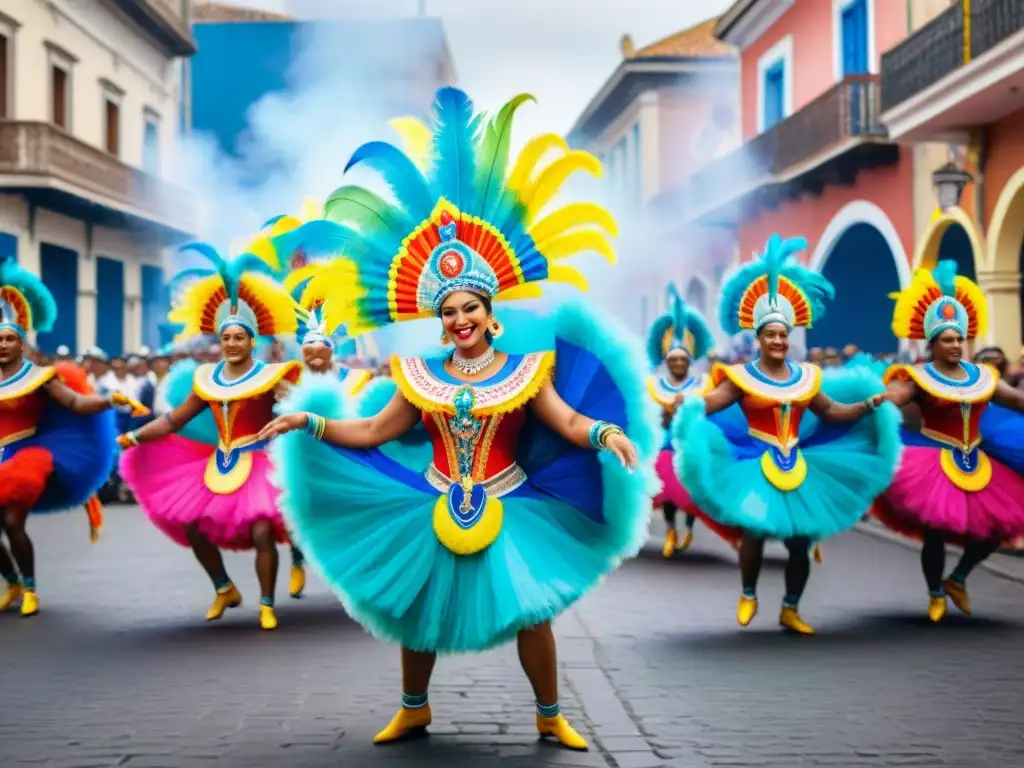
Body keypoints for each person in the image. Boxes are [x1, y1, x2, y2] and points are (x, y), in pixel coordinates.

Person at [260, 86, 654, 749]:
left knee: (533, 611)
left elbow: (562, 421)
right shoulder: (418, 376)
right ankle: (414, 707)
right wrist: (311, 425)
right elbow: (378, 431)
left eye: (470, 309)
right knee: (417, 610)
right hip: (434, 501)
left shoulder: (527, 370)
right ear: (439, 322)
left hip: (513, 501)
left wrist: (609, 433)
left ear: (490, 312)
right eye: (449, 313)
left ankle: (551, 715)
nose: (460, 321)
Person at [674, 234, 901, 635]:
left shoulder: (806, 377)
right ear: (758, 338)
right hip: (755, 465)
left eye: (783, 334)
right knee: (755, 533)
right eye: (771, 335)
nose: (778, 340)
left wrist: (867, 406)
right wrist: (689, 405)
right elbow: (712, 402)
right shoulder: (742, 377)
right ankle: (748, 593)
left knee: (801, 541)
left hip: (799, 464)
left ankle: (790, 608)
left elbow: (830, 412)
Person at [117, 244, 302, 631]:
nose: (232, 344)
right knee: (194, 527)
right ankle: (223, 588)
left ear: (253, 342)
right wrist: (134, 438)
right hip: (218, 462)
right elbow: (173, 420)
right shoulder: (206, 379)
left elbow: (298, 409)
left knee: (263, 529)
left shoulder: (272, 377)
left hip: (260, 463)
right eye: (226, 338)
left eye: (239, 338)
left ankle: (267, 603)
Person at [874, 260, 1024, 621]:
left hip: (979, 459)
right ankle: (935, 593)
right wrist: (874, 398)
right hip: (932, 461)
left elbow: (1018, 401)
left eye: (960, 338)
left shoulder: (982, 376)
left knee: (998, 529)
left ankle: (958, 578)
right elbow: (892, 394)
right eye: (948, 339)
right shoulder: (918, 376)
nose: (956, 345)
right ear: (933, 343)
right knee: (935, 533)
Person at [0, 254, 147, 616]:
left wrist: (108, 400)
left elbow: (77, 404)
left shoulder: (40, 378)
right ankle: (13, 581)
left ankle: (30, 588)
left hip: (28, 456)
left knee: (11, 521)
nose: (2, 345)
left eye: (8, 339)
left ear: (21, 344)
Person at [647, 284, 741, 557]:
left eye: (683, 359)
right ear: (667, 360)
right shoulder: (654, 385)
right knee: (665, 485)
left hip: (695, 443)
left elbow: (716, 408)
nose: (678, 364)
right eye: (673, 359)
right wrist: (664, 415)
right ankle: (670, 529)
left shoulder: (703, 383)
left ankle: (688, 528)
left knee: (695, 491)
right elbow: (649, 415)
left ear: (689, 361)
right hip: (666, 443)